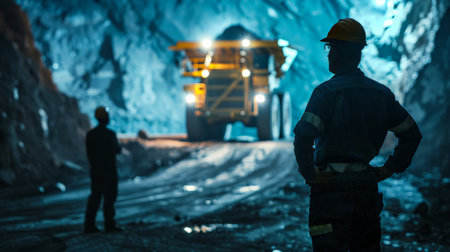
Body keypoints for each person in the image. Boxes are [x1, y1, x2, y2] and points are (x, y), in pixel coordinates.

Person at [293, 18, 422, 251]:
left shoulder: (325, 93)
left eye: (330, 48)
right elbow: (412, 134)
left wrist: (310, 173)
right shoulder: (381, 94)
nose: (328, 54)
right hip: (365, 188)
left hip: (329, 191)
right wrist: (390, 167)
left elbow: (303, 136)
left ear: (339, 52)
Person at [84, 106, 122, 233]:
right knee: (109, 197)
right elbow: (117, 149)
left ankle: (89, 225)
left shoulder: (91, 135)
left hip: (96, 171)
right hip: (109, 170)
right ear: (105, 118)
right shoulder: (110, 134)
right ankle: (109, 224)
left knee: (95, 197)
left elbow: (89, 154)